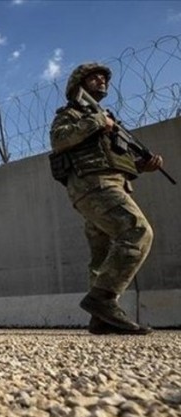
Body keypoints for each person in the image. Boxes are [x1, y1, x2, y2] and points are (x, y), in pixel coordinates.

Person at [49, 63, 163, 335]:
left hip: (108, 183)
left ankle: (101, 319)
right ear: (79, 84)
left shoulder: (105, 117)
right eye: (95, 77)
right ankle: (103, 299)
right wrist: (99, 121)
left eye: (104, 78)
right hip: (92, 185)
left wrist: (140, 166)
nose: (102, 80)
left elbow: (111, 160)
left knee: (101, 255)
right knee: (137, 231)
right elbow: (59, 139)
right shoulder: (71, 113)